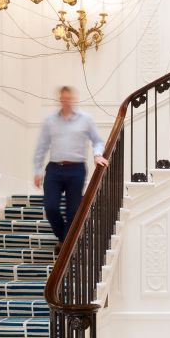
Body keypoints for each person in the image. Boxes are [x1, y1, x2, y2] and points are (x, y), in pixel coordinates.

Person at [33, 86, 107, 254]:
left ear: (73, 99)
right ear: (60, 99)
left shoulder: (86, 119)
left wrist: (97, 155)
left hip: (76, 169)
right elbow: (42, 147)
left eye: (69, 98)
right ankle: (65, 240)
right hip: (54, 169)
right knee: (50, 207)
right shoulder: (50, 121)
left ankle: (64, 247)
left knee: (73, 211)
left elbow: (97, 141)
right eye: (63, 99)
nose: (66, 101)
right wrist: (38, 170)